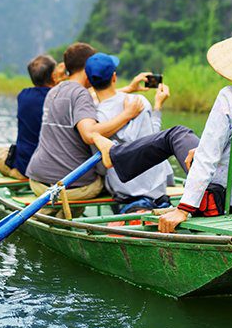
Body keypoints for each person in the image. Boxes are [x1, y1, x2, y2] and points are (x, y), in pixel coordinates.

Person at [93, 26, 232, 233]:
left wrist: (184, 208)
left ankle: (113, 155)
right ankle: (114, 155)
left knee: (175, 134)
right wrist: (203, 148)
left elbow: (208, 158)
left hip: (221, 199)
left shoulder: (230, 96)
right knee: (188, 141)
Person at [24, 42, 146, 212]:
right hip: (69, 187)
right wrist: (127, 115)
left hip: (37, 180)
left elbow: (90, 99)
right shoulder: (81, 94)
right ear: (87, 66)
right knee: (115, 180)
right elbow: (89, 134)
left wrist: (129, 89)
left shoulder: (56, 90)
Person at [86, 53, 174, 214]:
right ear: (114, 77)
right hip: (156, 190)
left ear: (89, 81)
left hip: (124, 192)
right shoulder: (138, 102)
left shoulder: (90, 116)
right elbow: (155, 140)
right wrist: (158, 106)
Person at [0, 54, 58, 179]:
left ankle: (15, 173)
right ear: (53, 76)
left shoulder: (23, 95)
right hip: (51, 167)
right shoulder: (59, 98)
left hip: (25, 166)